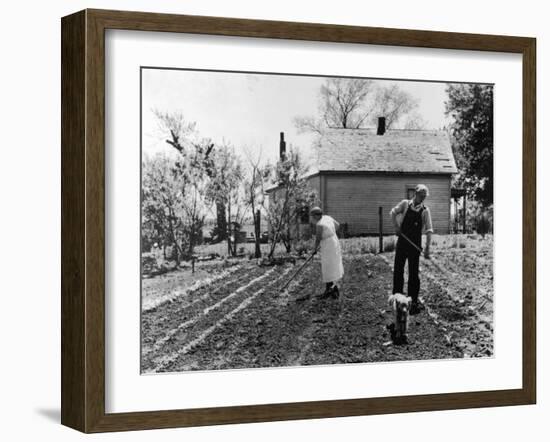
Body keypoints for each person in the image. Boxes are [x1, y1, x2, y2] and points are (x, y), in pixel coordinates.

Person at [390, 184, 433, 314]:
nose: (423, 198)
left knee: (414, 273)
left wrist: (427, 248)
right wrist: (397, 227)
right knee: (398, 270)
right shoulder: (405, 204)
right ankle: (396, 298)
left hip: (415, 245)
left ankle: (413, 301)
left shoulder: (425, 211)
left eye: (424, 196)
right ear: (415, 193)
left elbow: (429, 230)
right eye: (421, 196)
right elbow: (392, 212)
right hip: (403, 242)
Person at [310, 207, 344, 299]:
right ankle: (331, 288)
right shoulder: (328, 217)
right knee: (333, 265)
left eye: (312, 216)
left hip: (328, 245)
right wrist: (330, 233)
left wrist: (314, 249)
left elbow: (318, 238)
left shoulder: (320, 224)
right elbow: (338, 225)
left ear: (316, 216)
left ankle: (331, 290)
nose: (312, 218)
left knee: (328, 266)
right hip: (334, 240)